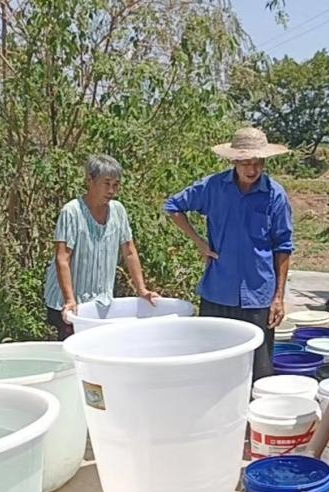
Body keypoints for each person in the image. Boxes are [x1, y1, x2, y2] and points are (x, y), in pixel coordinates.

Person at [164, 127, 294, 379]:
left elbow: (283, 247)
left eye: (258, 163)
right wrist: (200, 243)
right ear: (234, 161)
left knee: (258, 370)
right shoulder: (213, 187)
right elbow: (173, 206)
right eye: (245, 163)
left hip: (258, 295)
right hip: (218, 292)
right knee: (213, 366)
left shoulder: (275, 195)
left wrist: (278, 297)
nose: (252, 169)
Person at [44, 154, 159, 340]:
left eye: (116, 185)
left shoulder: (118, 211)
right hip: (70, 302)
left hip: (101, 300)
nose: (111, 190)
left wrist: (142, 290)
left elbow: (129, 251)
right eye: (106, 184)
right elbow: (62, 258)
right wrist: (70, 300)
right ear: (90, 180)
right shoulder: (72, 212)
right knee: (74, 348)